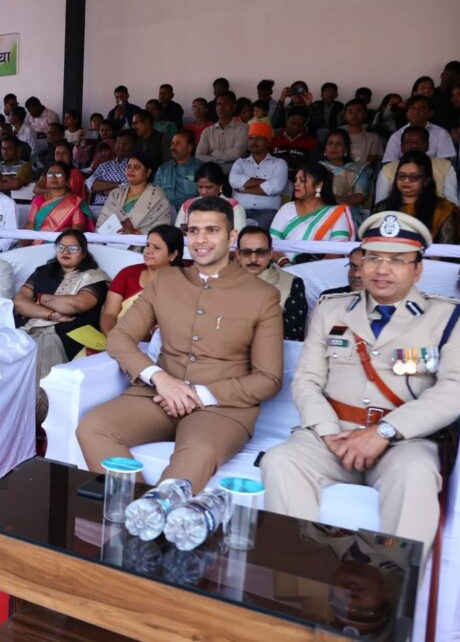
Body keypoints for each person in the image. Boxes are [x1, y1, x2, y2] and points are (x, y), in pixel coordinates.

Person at [262, 212, 460, 555]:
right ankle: (301, 576)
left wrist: (384, 432)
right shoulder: (331, 309)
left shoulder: (448, 317)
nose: (382, 269)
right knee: (281, 461)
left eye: (397, 260)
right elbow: (307, 379)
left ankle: (392, 582)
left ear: (418, 269)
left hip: (404, 441)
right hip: (333, 435)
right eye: (374, 257)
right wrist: (328, 432)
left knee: (416, 475)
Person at [76, 197, 283, 488]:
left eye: (212, 230)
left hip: (222, 406)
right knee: (93, 428)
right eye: (193, 230)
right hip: (158, 395)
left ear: (231, 237)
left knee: (197, 454)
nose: (201, 239)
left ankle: (155, 511)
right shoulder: (166, 281)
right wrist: (159, 378)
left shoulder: (261, 295)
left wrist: (200, 394)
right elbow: (120, 337)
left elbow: (268, 379)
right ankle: (136, 509)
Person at [14, 230, 109, 419]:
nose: (65, 251)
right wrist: (50, 314)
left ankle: (43, 418)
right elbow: (19, 302)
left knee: (42, 348)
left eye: (72, 248)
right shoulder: (43, 272)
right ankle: (16, 416)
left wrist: (38, 298)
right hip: (28, 329)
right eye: (61, 247)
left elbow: (74, 305)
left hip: (70, 336)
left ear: (83, 252)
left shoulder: (94, 277)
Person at [99, 224, 185, 335]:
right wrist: (112, 337)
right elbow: (109, 314)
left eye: (156, 248)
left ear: (173, 255)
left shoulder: (183, 284)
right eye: (147, 245)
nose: (148, 251)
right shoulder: (127, 274)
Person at [373, 151, 460, 245]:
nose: (406, 180)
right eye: (402, 176)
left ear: (426, 180)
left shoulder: (444, 211)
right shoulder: (382, 208)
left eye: (414, 177)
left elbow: (446, 249)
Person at [236, 225, 308, 341]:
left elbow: (292, 336)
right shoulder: (221, 282)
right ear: (238, 254)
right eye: (247, 252)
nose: (253, 259)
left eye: (260, 252)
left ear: (270, 253)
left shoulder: (291, 283)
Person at [270, 163, 356, 246]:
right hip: (282, 256)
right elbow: (272, 242)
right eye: (296, 180)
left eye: (302, 180)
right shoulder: (287, 208)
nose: (296, 184)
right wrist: (283, 257)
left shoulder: (336, 213)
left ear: (318, 185)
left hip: (322, 257)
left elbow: (338, 249)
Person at [374, 127, 458, 206]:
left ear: (428, 146)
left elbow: (451, 199)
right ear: (401, 147)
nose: (414, 145)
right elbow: (381, 202)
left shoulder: (445, 166)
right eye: (409, 142)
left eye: (419, 142)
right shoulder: (387, 169)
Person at [96, 152, 172, 237]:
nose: (131, 170)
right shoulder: (115, 194)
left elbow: (162, 226)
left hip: (143, 243)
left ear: (148, 172)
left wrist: (136, 232)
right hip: (112, 241)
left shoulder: (157, 195)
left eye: (137, 167)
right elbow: (102, 222)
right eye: (129, 166)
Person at [229, 121, 289, 227]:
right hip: (240, 210)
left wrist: (244, 189)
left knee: (258, 233)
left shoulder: (279, 163)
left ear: (268, 142)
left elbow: (276, 187)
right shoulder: (240, 162)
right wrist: (267, 183)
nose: (253, 142)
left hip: (267, 212)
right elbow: (234, 181)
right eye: (250, 138)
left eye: (258, 138)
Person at [25, 161, 94, 241]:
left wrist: (68, 231)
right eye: (50, 174)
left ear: (68, 180)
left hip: (64, 243)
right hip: (37, 244)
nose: (53, 177)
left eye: (59, 174)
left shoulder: (75, 202)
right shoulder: (38, 201)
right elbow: (30, 226)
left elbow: (78, 230)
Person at [381, 95, 456, 163]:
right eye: (412, 108)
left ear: (430, 112)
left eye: (421, 108)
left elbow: (445, 163)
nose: (416, 112)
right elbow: (389, 164)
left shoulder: (441, 133)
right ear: (406, 113)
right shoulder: (396, 136)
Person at [176, 162, 247, 232]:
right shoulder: (187, 204)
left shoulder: (234, 206)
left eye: (209, 187)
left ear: (220, 186)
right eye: (200, 187)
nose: (203, 191)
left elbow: (238, 235)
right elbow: (177, 233)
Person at [319, 129, 371, 219]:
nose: (333, 147)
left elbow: (360, 194)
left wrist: (338, 204)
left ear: (346, 149)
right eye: (330, 143)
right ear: (325, 149)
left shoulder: (357, 169)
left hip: (345, 211)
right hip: (319, 210)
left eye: (339, 144)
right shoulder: (316, 168)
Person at [195, 91, 248, 172]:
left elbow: (238, 153)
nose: (221, 107)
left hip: (235, 174)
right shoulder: (207, 131)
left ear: (234, 106)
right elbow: (199, 156)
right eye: (218, 104)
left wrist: (213, 154)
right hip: (212, 175)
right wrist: (219, 161)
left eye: (225, 104)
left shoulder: (244, 128)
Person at [153, 130, 203, 211]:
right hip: (165, 213)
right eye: (172, 143)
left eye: (178, 143)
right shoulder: (163, 169)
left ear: (190, 148)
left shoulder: (201, 168)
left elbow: (204, 196)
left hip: (190, 212)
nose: (173, 147)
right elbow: (155, 194)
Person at [270, 107, 319, 183]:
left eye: (300, 125)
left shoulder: (311, 142)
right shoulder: (273, 140)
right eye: (292, 123)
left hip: (299, 181)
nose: (295, 127)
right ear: (286, 121)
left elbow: (312, 166)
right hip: (274, 179)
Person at [88, 131, 136, 206]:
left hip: (120, 208)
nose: (121, 146)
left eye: (125, 143)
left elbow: (131, 190)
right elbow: (90, 183)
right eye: (119, 143)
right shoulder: (105, 165)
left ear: (133, 147)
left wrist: (102, 189)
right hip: (98, 207)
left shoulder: (135, 167)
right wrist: (118, 184)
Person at [341, 99, 384, 165]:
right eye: (350, 112)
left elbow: (370, 164)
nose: (354, 115)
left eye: (359, 112)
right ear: (344, 116)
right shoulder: (336, 136)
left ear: (365, 115)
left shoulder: (373, 139)